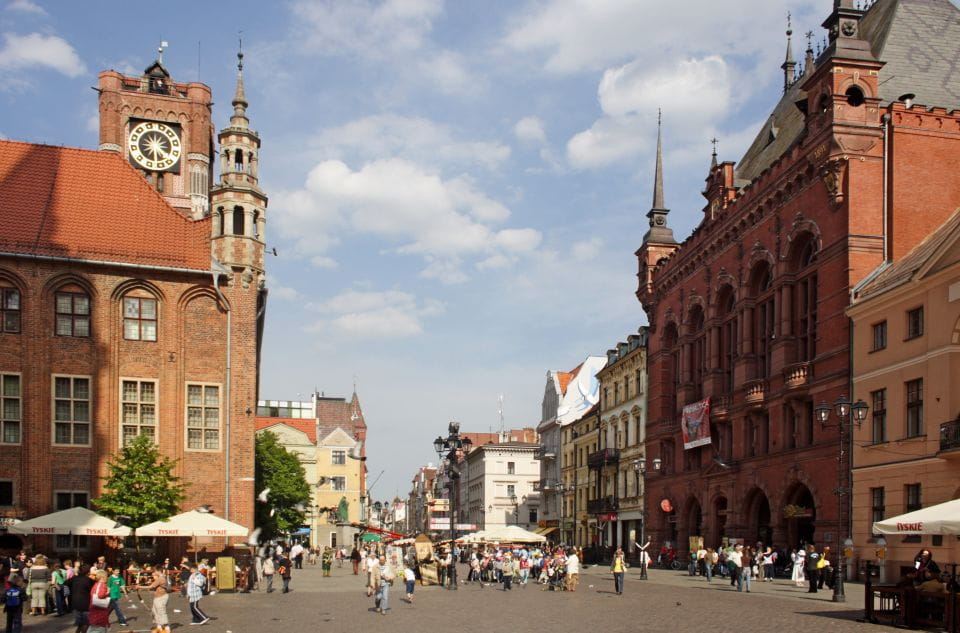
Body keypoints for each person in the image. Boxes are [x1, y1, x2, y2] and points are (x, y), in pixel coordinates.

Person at [67, 565, 94, 633]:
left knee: (80, 624)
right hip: (85, 603)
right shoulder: (89, 580)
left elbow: (65, 583)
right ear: (88, 572)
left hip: (75, 603)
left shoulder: (74, 578)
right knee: (85, 624)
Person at [145, 567, 170, 633]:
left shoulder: (161, 578)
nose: (154, 573)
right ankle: (159, 628)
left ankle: (167, 628)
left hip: (161, 597)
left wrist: (139, 587)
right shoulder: (160, 577)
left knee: (161, 612)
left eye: (155, 571)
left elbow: (151, 586)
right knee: (155, 612)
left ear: (158, 571)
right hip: (157, 597)